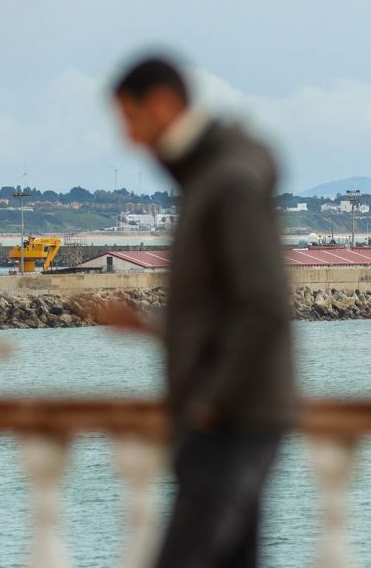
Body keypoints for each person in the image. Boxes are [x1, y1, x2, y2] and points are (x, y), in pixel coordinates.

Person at [100, 55, 296, 568]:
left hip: (231, 419)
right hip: (233, 413)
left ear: (163, 104)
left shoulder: (226, 181)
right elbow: (225, 315)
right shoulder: (208, 178)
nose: (129, 138)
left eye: (131, 119)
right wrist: (147, 326)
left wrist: (211, 401)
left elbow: (264, 306)